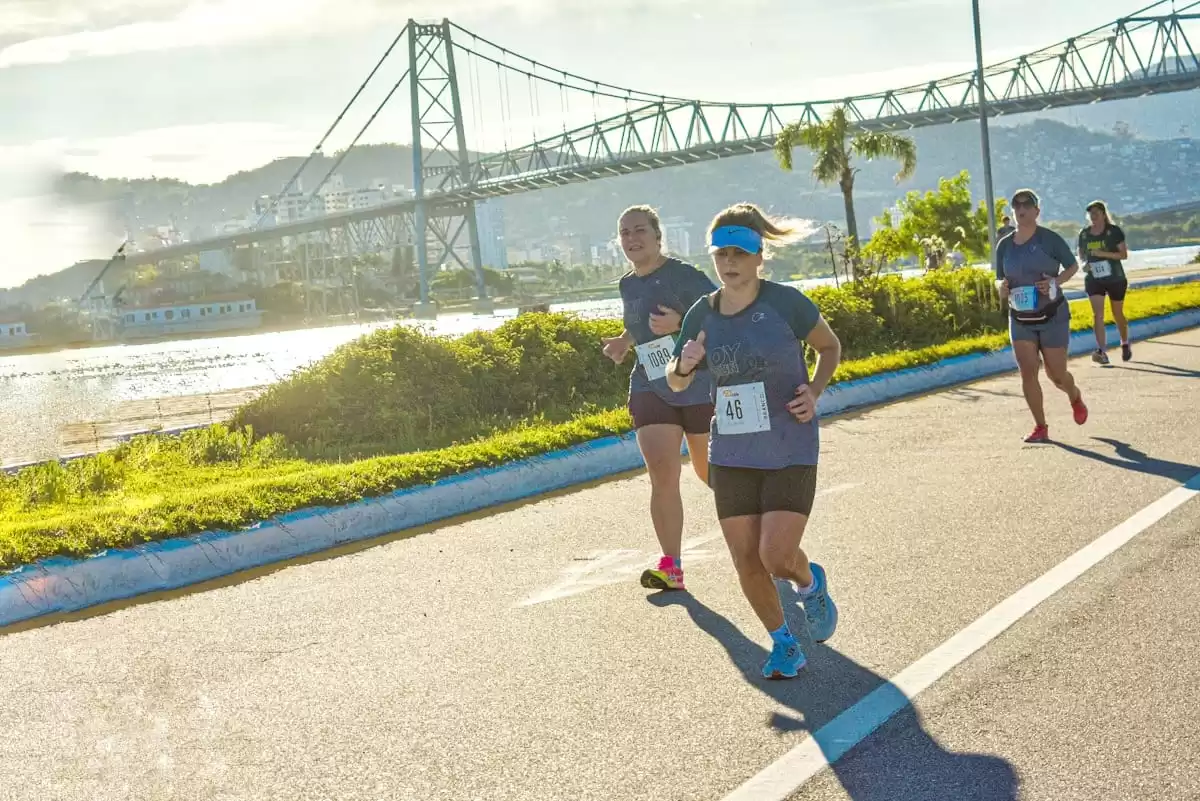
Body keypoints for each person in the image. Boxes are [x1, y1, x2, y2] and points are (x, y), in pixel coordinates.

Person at [665, 202, 843, 680]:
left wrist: (815, 390)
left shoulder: (785, 302)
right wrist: (684, 363)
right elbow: (678, 382)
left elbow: (829, 347)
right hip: (733, 451)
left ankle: (809, 581)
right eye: (721, 253)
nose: (729, 262)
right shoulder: (702, 313)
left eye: (740, 252)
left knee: (775, 556)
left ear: (759, 255)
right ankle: (785, 643)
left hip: (789, 443)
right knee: (746, 558)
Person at [602, 204, 717, 592]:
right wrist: (624, 341)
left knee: (708, 472)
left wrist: (681, 322)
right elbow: (639, 324)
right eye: (624, 233)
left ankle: (760, 532)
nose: (631, 239)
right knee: (663, 475)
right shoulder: (627, 283)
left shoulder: (684, 275)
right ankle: (672, 567)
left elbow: (720, 316)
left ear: (657, 236)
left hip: (697, 383)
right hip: (651, 383)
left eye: (639, 231)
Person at [994, 188, 1089, 444]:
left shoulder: (1049, 239)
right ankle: (1040, 426)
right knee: (1028, 372)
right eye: (1016, 205)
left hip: (1052, 315)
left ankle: (1074, 395)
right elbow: (998, 278)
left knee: (1056, 375)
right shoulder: (1004, 245)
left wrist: (1055, 282)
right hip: (1020, 319)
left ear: (1037, 211)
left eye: (1027, 204)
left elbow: (1072, 266)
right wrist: (1000, 288)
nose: (1021, 209)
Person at [1077, 200, 1132, 364]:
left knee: (1117, 313)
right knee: (1098, 315)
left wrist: (1103, 254)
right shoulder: (1085, 234)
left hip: (1115, 277)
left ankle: (1124, 343)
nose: (1093, 216)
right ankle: (1102, 351)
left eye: (1096, 213)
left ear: (1103, 214)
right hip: (1094, 279)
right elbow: (1081, 254)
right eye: (1090, 213)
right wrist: (1084, 264)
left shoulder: (1113, 231)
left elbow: (1123, 255)